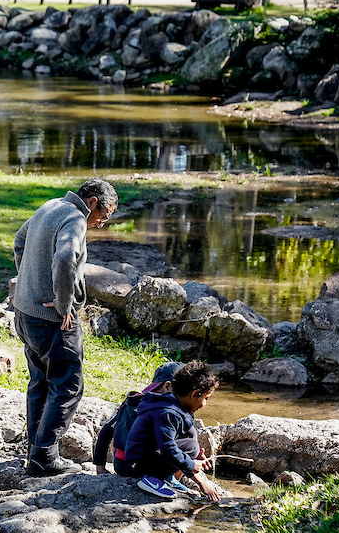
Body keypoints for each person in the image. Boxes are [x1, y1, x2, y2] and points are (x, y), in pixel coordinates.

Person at [13, 178, 118, 477]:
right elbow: (64, 257)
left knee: (41, 382)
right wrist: (63, 305)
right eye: (104, 216)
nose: (100, 224)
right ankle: (45, 456)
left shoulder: (51, 205)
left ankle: (36, 452)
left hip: (25, 313)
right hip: (52, 320)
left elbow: (19, 241)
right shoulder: (74, 218)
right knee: (69, 384)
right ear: (93, 202)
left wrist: (29, 285)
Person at [119, 361, 224, 502]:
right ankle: (152, 480)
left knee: (192, 442)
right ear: (194, 394)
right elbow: (168, 448)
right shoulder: (167, 412)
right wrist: (191, 464)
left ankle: (166, 477)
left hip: (149, 455)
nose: (204, 404)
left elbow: (182, 442)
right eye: (205, 398)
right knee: (191, 447)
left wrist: (196, 473)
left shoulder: (175, 406)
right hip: (137, 463)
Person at [92, 361, 183, 476]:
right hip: (145, 467)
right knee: (187, 445)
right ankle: (169, 479)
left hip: (121, 465)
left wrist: (100, 468)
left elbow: (106, 430)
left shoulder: (132, 400)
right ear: (167, 386)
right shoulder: (166, 409)